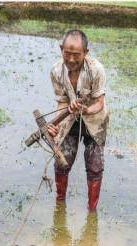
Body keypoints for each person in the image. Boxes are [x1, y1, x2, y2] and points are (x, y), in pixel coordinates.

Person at [46, 29, 109, 211]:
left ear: (86, 53)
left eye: (77, 55)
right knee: (61, 161)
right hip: (70, 117)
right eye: (67, 54)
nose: (71, 59)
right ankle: (60, 204)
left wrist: (86, 109)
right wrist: (55, 124)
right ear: (61, 50)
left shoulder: (95, 70)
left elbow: (99, 103)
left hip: (95, 120)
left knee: (95, 166)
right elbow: (62, 102)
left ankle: (92, 210)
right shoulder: (56, 71)